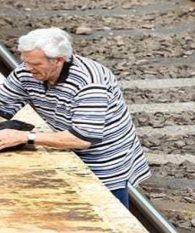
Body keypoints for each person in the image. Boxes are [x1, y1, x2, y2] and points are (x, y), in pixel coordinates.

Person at [0, 27, 151, 208]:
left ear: (58, 60)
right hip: (66, 151)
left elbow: (81, 138)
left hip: (104, 161)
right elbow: (3, 104)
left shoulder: (90, 83)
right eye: (25, 61)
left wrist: (25, 137)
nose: (27, 68)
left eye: (35, 64)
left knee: (108, 210)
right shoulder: (26, 73)